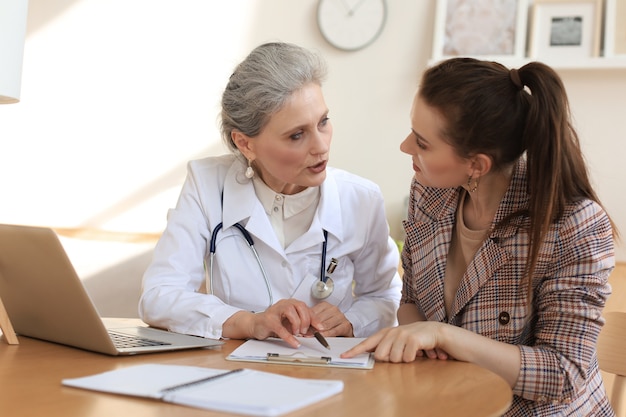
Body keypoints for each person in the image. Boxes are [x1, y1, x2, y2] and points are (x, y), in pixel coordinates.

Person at [341, 57, 618, 416]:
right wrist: (424, 337)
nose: (405, 146)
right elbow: (411, 300)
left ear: (477, 164)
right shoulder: (430, 192)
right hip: (444, 401)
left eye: (423, 143)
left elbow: (563, 374)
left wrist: (444, 337)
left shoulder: (572, 224)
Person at [139, 42, 401, 349]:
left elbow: (386, 297)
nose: (321, 146)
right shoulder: (207, 184)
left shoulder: (361, 199)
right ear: (245, 144)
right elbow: (158, 295)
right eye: (296, 135)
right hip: (235, 374)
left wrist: (351, 320)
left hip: (330, 372)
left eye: (323, 122)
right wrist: (249, 322)